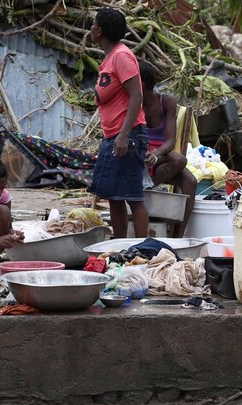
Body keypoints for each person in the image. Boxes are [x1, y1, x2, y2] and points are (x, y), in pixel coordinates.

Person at [89, 7, 148, 239]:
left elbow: (137, 96)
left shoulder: (121, 56)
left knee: (133, 196)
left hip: (127, 135)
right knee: (114, 195)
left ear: (99, 30)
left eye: (93, 24)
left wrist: (123, 135)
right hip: (113, 136)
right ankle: (120, 245)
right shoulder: (110, 57)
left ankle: (144, 246)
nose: (91, 27)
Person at [139, 61, 199, 238]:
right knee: (184, 171)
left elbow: (171, 140)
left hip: (161, 153)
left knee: (189, 177)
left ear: (141, 84)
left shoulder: (166, 101)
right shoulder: (133, 102)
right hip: (141, 153)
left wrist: (156, 155)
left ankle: (178, 236)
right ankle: (143, 186)